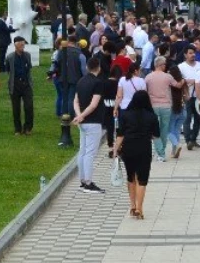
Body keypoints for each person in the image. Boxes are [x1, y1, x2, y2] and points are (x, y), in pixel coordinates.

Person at [114, 90, 160, 219]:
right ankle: (140, 208)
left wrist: (115, 149)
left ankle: (132, 205)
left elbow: (120, 135)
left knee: (131, 177)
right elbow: (156, 135)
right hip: (144, 149)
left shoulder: (125, 115)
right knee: (142, 179)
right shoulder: (152, 116)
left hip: (128, 148)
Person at [71, 55, 106, 194]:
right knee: (90, 153)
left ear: (87, 67)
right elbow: (93, 104)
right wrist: (82, 116)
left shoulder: (80, 81)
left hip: (83, 122)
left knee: (83, 150)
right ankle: (88, 182)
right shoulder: (98, 83)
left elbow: (75, 101)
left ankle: (82, 180)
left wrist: (79, 116)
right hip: (93, 121)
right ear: (99, 68)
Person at [145, 57, 179, 160]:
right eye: (164, 64)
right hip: (166, 106)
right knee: (164, 129)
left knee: (154, 130)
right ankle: (162, 151)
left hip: (153, 106)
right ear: (161, 65)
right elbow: (177, 85)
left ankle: (160, 153)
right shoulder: (168, 76)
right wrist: (184, 81)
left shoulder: (148, 77)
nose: (165, 66)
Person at [5, 36, 34, 136]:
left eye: (23, 44)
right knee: (16, 108)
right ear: (15, 45)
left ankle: (28, 128)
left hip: (26, 84)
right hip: (15, 84)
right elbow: (8, 70)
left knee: (29, 106)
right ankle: (17, 129)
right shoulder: (10, 57)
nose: (22, 46)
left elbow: (29, 68)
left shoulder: (27, 55)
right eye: (21, 45)